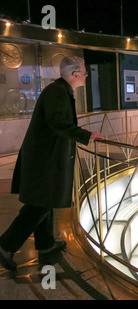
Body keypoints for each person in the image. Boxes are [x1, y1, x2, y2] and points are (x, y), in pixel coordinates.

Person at [0, 56, 104, 271]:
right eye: (84, 72)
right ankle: (5, 245)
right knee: (38, 206)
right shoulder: (57, 92)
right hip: (43, 159)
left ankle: (46, 246)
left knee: (43, 202)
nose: (85, 75)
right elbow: (57, 122)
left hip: (45, 157)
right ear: (75, 75)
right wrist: (85, 135)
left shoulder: (60, 90)